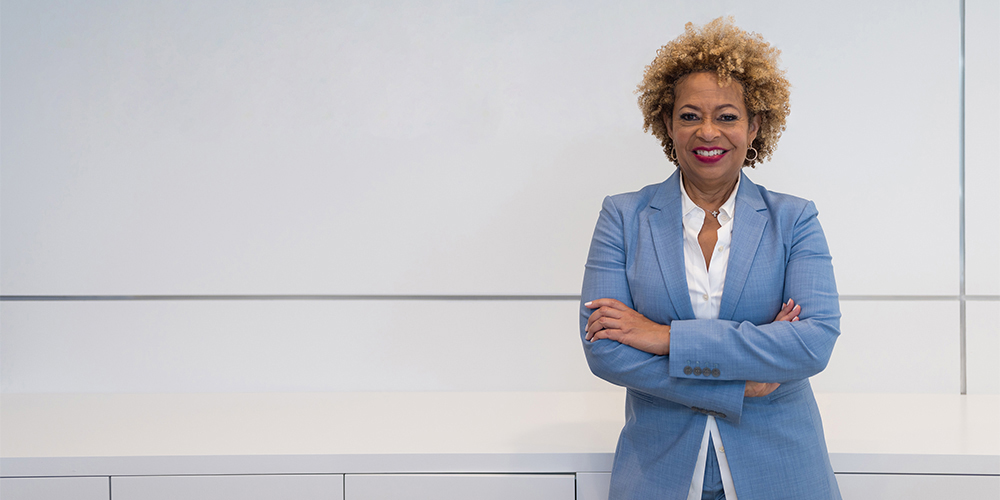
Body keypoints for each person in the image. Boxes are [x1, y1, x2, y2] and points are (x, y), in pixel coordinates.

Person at [580, 18, 842, 500]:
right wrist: (740, 386)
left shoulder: (794, 220)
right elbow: (605, 349)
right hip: (658, 472)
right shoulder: (623, 216)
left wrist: (663, 337)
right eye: (689, 116)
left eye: (726, 116)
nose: (707, 132)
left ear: (754, 126)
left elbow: (812, 342)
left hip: (780, 468)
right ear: (667, 124)